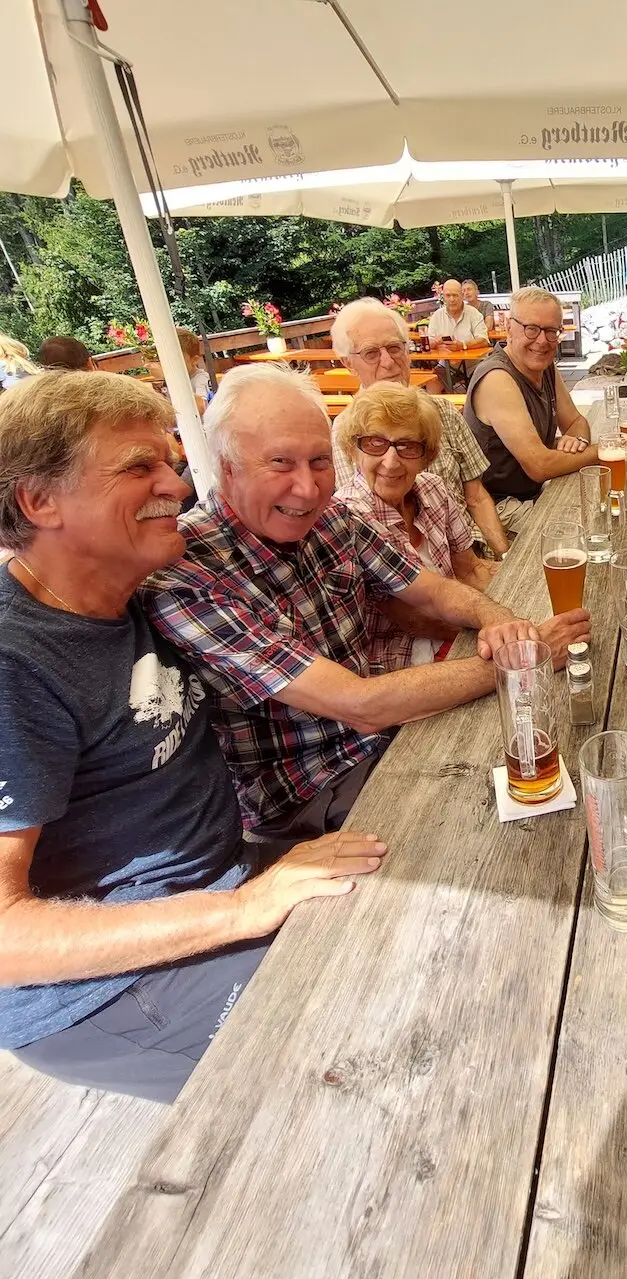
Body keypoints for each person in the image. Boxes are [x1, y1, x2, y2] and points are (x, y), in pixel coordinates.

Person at [0, 371, 385, 1101]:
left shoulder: (141, 591)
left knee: (421, 896)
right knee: (366, 1052)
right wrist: (243, 909)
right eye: (138, 467)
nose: (177, 486)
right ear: (38, 501)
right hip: (104, 993)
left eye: (171, 463)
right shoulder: (16, 664)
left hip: (230, 876)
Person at [143, 365, 587, 841]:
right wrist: (526, 658)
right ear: (225, 466)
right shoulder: (186, 573)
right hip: (315, 792)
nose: (308, 488)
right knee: (525, 826)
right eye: (279, 463)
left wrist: (498, 618)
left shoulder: (329, 518)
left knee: (566, 750)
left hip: (388, 738)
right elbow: (359, 704)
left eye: (318, 461)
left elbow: (432, 588)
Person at [331, 297, 509, 557]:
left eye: (394, 348)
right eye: (371, 353)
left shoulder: (444, 411)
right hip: (410, 572)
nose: (388, 362)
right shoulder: (347, 432)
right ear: (348, 363)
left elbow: (477, 496)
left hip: (472, 551)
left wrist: (504, 555)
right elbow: (364, 525)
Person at [336, 383, 495, 671]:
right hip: (402, 664)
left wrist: (511, 612)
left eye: (407, 445)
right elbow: (413, 619)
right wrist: (495, 633)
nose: (391, 461)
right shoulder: (349, 515)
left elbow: (469, 568)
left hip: (458, 633)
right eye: (375, 443)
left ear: (426, 455)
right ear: (353, 449)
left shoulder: (433, 488)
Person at [465, 286, 600, 536]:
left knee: (603, 506)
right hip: (499, 507)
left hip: (534, 491)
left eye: (551, 331)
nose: (542, 341)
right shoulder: (497, 378)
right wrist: (602, 452)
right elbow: (539, 465)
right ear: (509, 327)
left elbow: (575, 421)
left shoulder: (545, 368)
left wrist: (577, 441)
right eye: (531, 328)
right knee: (584, 533)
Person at [428, 279, 489, 391]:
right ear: (443, 296)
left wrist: (463, 345)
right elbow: (428, 343)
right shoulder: (437, 315)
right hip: (446, 366)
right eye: (448, 295)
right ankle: (439, 407)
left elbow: (484, 340)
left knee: (485, 382)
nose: (451, 299)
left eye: (455, 295)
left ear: (462, 295)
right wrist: (436, 342)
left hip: (474, 365)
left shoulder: (473, 313)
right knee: (432, 381)